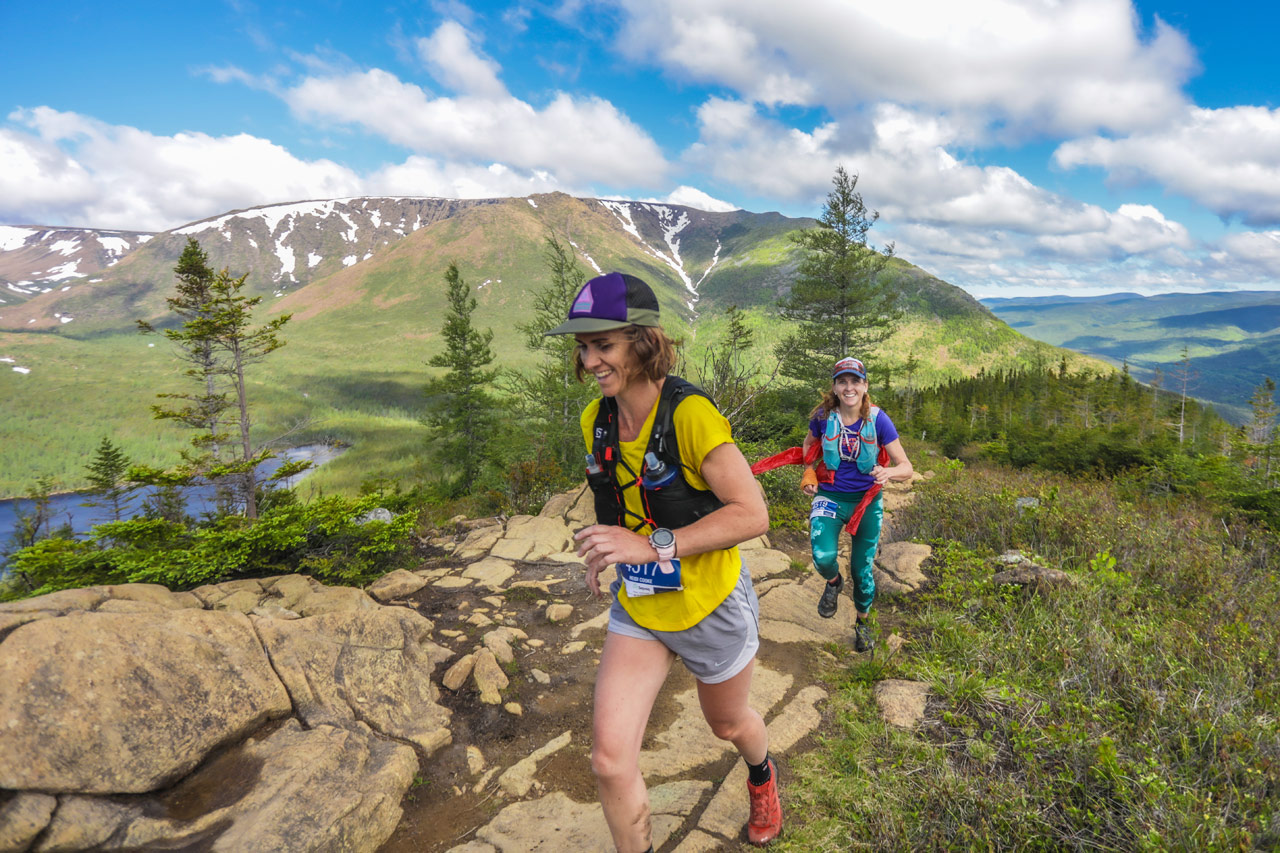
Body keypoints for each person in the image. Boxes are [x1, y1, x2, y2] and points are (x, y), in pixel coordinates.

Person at [546, 271, 782, 851]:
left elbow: (752, 514)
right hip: (644, 603)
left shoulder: (691, 416)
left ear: (643, 342)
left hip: (711, 601)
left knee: (727, 724)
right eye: (584, 346)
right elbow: (626, 505)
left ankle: (762, 775)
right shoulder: (595, 421)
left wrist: (650, 546)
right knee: (607, 759)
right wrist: (607, 547)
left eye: (604, 344)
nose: (591, 359)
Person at [800, 356, 913, 652]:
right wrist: (810, 471)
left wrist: (888, 471)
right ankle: (834, 582)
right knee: (823, 557)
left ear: (864, 386)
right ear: (835, 387)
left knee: (862, 571)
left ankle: (863, 623)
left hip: (867, 502)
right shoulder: (823, 417)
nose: (849, 387)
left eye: (855, 381)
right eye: (842, 382)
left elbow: (907, 467)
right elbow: (808, 447)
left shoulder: (878, 419)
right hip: (830, 497)